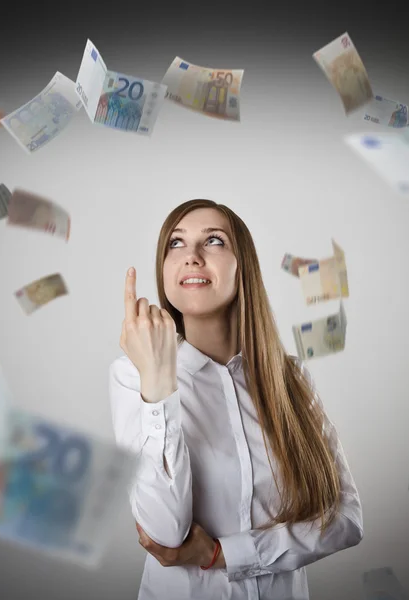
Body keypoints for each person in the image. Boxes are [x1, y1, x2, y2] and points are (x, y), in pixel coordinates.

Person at [109, 199, 363, 600]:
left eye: (213, 241)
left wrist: (223, 554)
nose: (190, 257)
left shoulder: (291, 379)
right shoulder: (133, 376)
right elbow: (164, 533)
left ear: (242, 265)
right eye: (175, 244)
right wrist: (158, 383)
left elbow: (346, 520)